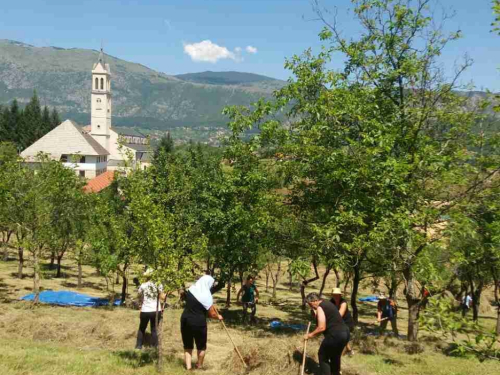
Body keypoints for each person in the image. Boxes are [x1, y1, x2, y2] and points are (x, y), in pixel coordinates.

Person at [180, 275, 223, 370]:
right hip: (198, 323)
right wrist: (218, 316)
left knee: (188, 345)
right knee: (201, 346)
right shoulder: (207, 296)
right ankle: (199, 366)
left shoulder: (191, 289)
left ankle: (188, 368)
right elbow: (212, 314)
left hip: (185, 320)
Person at [304, 292, 350, 375]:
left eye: (310, 304)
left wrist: (309, 335)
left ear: (314, 301)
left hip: (336, 334)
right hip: (345, 333)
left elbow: (322, 327)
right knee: (335, 356)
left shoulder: (320, 307)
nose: (310, 307)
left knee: (323, 355)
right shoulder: (327, 303)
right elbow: (329, 318)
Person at [135, 269, 165, 349]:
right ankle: (154, 347)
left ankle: (138, 346)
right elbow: (162, 297)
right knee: (154, 329)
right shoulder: (159, 285)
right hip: (156, 310)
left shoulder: (143, 285)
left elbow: (139, 295)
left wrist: (140, 306)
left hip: (145, 310)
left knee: (142, 328)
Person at [330, 288, 354, 356]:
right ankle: (348, 350)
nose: (336, 296)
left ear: (340, 295)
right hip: (337, 322)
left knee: (343, 336)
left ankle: (345, 351)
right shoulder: (331, 302)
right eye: (334, 295)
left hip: (346, 322)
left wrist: (330, 319)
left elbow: (340, 315)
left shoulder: (343, 302)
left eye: (337, 295)